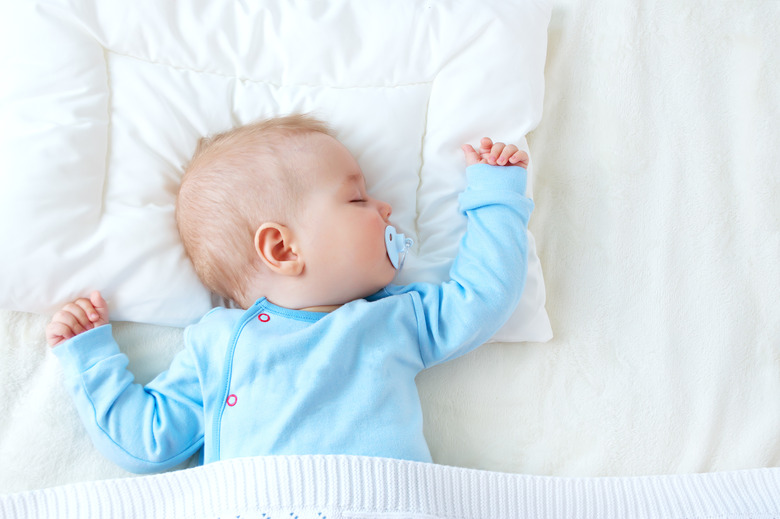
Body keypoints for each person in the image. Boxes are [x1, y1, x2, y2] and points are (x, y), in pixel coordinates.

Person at [45, 114, 534, 474]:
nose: (386, 209)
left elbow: (483, 296)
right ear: (281, 246)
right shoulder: (218, 343)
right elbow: (149, 442)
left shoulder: (395, 317)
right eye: (358, 198)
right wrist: (90, 358)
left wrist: (496, 198)